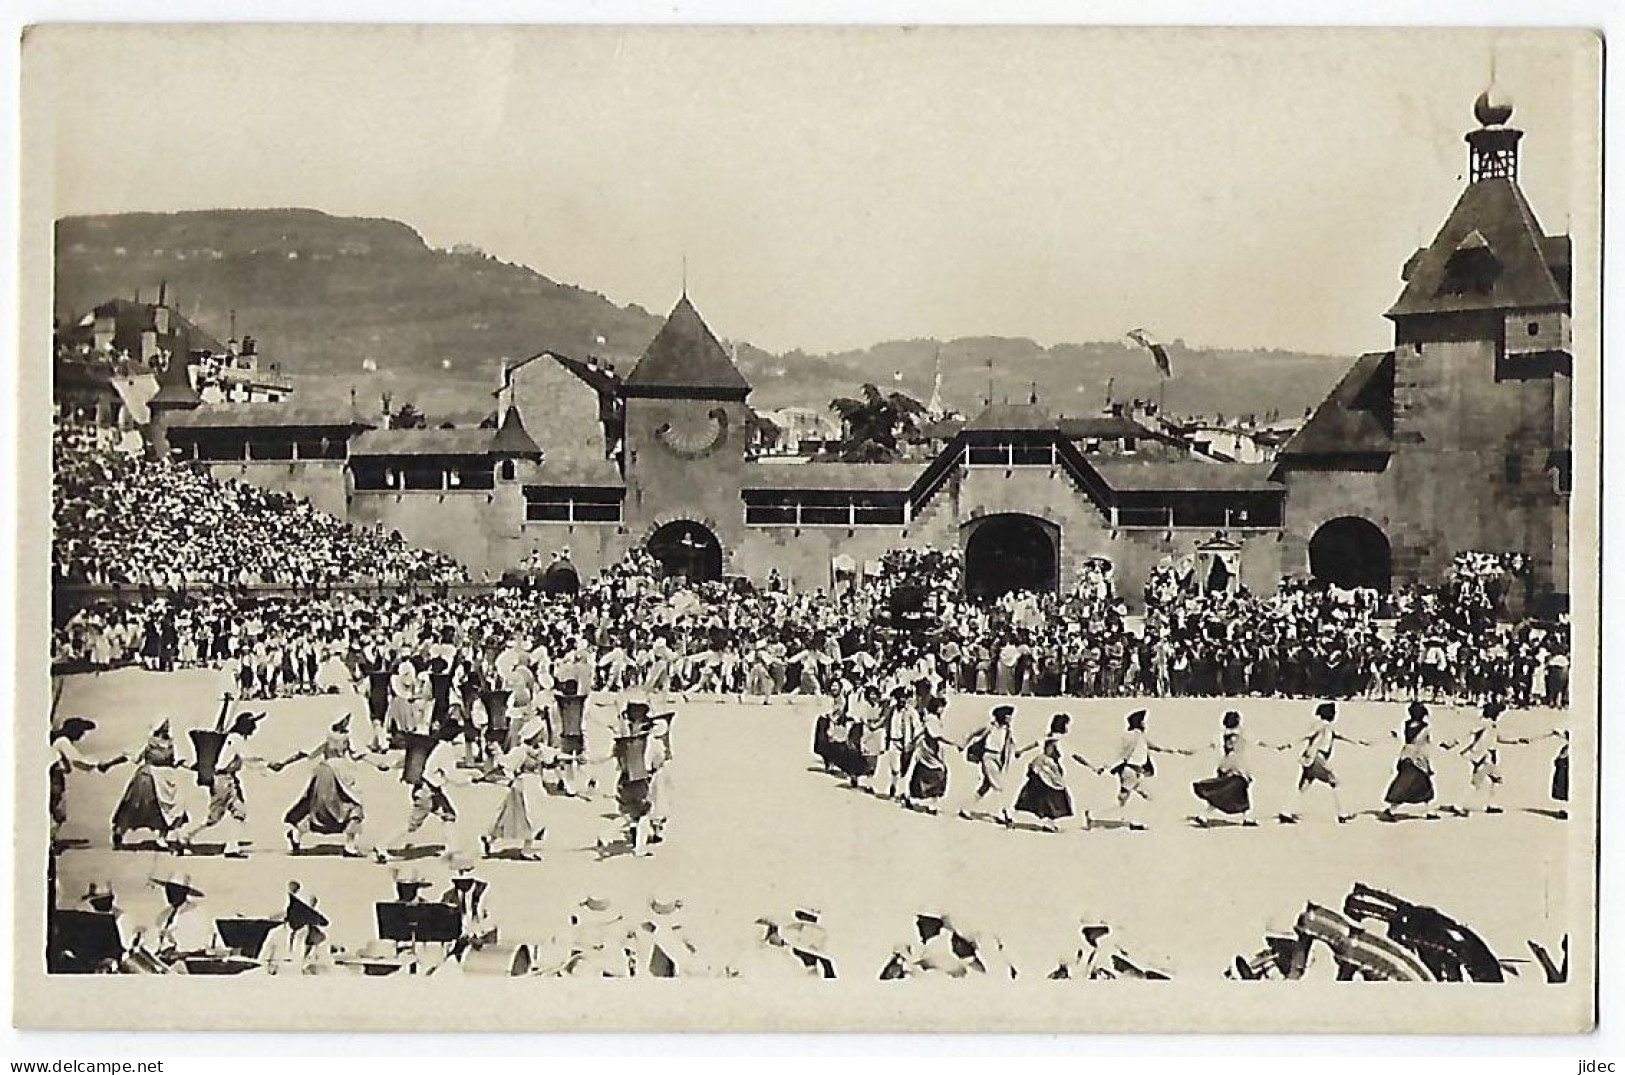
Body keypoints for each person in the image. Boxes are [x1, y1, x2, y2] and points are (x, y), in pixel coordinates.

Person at [274, 715, 370, 857]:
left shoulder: (326, 737)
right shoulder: (346, 737)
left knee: (317, 808)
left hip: (323, 773)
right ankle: (350, 846)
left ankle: (296, 834)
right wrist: (379, 763)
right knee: (353, 806)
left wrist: (283, 762)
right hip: (339, 775)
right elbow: (357, 754)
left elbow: (305, 752)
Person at [175, 710, 266, 857]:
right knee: (213, 818)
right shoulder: (236, 739)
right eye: (252, 724)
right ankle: (184, 836)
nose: (255, 727)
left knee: (239, 813)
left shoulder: (234, 738)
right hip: (223, 781)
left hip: (229, 780)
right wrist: (267, 766)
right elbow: (248, 758)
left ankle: (231, 847)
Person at [1277, 702, 1370, 825]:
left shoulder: (1323, 725)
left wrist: (1358, 742)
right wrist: (1289, 744)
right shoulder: (1323, 725)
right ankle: (1342, 814)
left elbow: (1340, 736)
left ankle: (1286, 812)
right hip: (1317, 758)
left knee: (1303, 787)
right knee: (1335, 782)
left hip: (1309, 759)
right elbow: (1307, 735)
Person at [482, 718, 560, 860]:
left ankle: (501, 842)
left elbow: (554, 756)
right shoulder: (521, 751)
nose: (542, 736)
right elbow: (509, 764)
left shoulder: (540, 749)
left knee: (534, 817)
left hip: (536, 787)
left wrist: (573, 757)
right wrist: (498, 754)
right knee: (521, 817)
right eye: (540, 733)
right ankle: (497, 841)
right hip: (523, 787)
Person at [1105, 709, 1194, 830]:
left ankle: (1098, 816)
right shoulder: (1135, 736)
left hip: (1131, 772)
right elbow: (1123, 753)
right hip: (1131, 772)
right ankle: (1134, 822)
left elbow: (1156, 747)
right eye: (1143, 722)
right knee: (1147, 797)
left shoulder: (1137, 736)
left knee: (1125, 800)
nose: (1145, 724)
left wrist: (1177, 751)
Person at [1011, 713, 1099, 832]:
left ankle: (1038, 819)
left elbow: (1034, 744)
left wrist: (1020, 751)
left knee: (1038, 793)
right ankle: (1049, 821)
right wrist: (1092, 766)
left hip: (1039, 764)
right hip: (1050, 767)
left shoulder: (1047, 736)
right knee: (1055, 795)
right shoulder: (1061, 740)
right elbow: (1076, 756)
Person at [50, 717, 124, 845]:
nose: (82, 735)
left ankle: (50, 840)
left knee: (56, 811)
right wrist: (98, 764)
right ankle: (49, 842)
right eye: (81, 732)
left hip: (56, 778)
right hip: (55, 779)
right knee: (58, 813)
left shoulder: (61, 741)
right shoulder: (63, 742)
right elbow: (77, 760)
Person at [109, 716, 181, 849]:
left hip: (166, 780)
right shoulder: (148, 742)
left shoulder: (171, 743)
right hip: (148, 778)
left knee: (166, 810)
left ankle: (161, 837)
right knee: (135, 805)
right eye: (164, 725)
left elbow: (176, 760)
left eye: (167, 725)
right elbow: (133, 756)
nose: (167, 728)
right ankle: (120, 831)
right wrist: (111, 762)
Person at [1191, 711, 1258, 827]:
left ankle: (1204, 816)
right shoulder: (1237, 737)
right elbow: (1235, 756)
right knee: (1234, 795)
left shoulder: (1226, 736)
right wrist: (1245, 773)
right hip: (1235, 769)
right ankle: (1247, 818)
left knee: (1221, 795)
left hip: (1228, 767)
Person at [1380, 703, 1441, 822]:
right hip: (1418, 757)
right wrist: (1428, 764)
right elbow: (1425, 746)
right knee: (1420, 785)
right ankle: (1392, 810)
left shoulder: (1406, 725)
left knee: (1409, 783)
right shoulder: (1425, 728)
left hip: (1405, 754)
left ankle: (1428, 811)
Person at [958, 703, 1018, 824]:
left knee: (985, 787)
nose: (1010, 718)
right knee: (999, 786)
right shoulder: (990, 727)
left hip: (998, 759)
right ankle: (1003, 813)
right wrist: (964, 743)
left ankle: (966, 808)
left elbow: (1010, 744)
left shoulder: (1007, 730)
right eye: (1008, 716)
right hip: (988, 756)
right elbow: (973, 733)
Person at [1456, 701, 1519, 814]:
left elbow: (1498, 738)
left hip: (1489, 756)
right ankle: (1459, 805)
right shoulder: (1484, 723)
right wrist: (1453, 742)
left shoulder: (1491, 724)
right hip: (1484, 757)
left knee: (1496, 779)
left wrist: (1516, 741)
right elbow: (1470, 732)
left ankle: (1491, 804)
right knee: (1477, 783)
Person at [260, 882, 335, 976]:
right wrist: (269, 970)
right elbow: (262, 962)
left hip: (301, 986)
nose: (297, 917)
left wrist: (313, 970)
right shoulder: (276, 933)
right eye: (294, 911)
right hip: (275, 984)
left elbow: (327, 968)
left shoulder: (315, 938)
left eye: (303, 914)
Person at [901, 695, 951, 813]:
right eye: (941, 707)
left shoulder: (934, 718)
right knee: (936, 774)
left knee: (928, 775)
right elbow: (935, 735)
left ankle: (918, 800)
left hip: (931, 751)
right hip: (928, 752)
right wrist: (954, 742)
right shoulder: (931, 719)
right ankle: (929, 804)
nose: (943, 709)